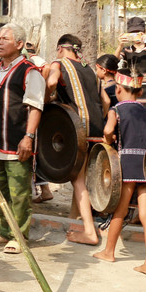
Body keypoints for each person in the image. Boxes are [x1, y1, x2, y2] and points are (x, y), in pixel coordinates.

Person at [0, 23, 44, 254]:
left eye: (4, 39)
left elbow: (36, 107)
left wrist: (28, 137)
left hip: (16, 141)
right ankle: (4, 232)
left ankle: (20, 235)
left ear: (19, 44)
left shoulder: (29, 71)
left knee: (19, 193)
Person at [93, 67, 146, 276]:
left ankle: (109, 252)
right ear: (140, 92)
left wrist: (108, 140)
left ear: (118, 89)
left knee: (120, 211)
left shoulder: (117, 109)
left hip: (128, 165)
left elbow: (107, 130)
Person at [45, 34, 105, 246]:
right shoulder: (90, 69)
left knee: (78, 180)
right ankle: (74, 218)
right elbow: (105, 100)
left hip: (77, 126)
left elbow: (52, 82)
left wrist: (47, 99)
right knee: (81, 175)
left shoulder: (58, 63)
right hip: (96, 126)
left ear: (60, 48)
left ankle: (89, 231)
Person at [115, 16, 146, 117]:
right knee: (134, 118)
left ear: (144, 32)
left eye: (139, 32)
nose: (136, 36)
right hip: (133, 90)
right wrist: (120, 45)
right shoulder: (126, 50)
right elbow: (114, 60)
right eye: (133, 33)